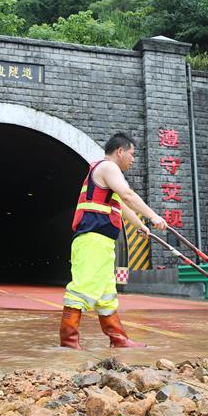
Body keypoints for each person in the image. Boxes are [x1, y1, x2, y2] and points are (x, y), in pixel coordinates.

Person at [61, 132, 168, 349]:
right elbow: (128, 195)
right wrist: (153, 216)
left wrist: (140, 225)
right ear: (120, 151)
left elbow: (122, 204)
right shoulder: (108, 167)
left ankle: (118, 339)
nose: (133, 159)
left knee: (107, 294)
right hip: (92, 240)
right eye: (132, 154)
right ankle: (68, 342)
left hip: (102, 242)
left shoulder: (107, 174)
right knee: (82, 290)